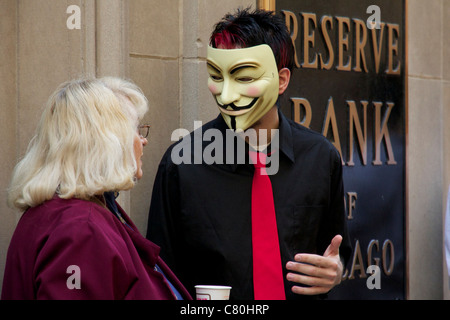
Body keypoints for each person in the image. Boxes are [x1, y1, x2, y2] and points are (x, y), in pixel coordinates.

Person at [146, 8, 351, 300]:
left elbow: (338, 250)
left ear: (281, 80)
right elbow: (160, 280)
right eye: (217, 76)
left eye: (243, 77)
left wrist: (336, 271)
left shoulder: (320, 158)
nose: (226, 95)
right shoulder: (182, 163)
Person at [2, 77, 192, 300]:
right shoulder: (80, 228)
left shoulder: (72, 212)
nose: (143, 140)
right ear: (109, 141)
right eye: (136, 129)